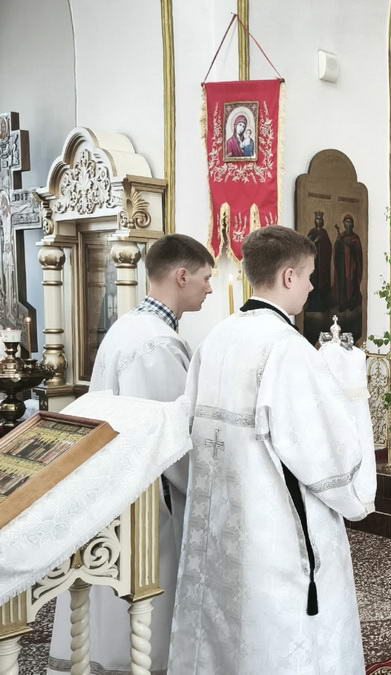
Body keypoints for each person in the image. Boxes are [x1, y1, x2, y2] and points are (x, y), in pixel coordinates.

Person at [168, 226, 375, 674]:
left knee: (227, 632)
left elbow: (186, 428)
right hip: (275, 533)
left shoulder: (217, 338)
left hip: (221, 528)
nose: (312, 286)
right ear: (288, 276)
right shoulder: (286, 349)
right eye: (309, 276)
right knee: (281, 634)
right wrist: (357, 491)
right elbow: (324, 457)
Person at [47, 234, 214, 675]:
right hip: (144, 499)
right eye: (205, 278)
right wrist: (208, 487)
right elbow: (169, 437)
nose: (210, 288)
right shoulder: (156, 343)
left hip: (114, 486)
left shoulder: (129, 326)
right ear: (182, 276)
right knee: (144, 603)